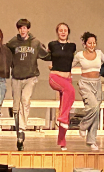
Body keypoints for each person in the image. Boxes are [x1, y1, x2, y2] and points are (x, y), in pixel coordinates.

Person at [6, 19, 49, 151]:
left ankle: (22, 130)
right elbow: (2, 52)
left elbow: (47, 55)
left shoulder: (35, 42)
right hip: (16, 77)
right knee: (16, 106)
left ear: (28, 29)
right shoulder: (13, 43)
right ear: (18, 29)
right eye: (20, 28)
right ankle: (18, 132)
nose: (23, 30)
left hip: (30, 77)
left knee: (25, 100)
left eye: (25, 28)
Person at [72, 32, 104, 151]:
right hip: (85, 83)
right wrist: (56, 67)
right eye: (89, 43)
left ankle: (92, 141)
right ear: (84, 44)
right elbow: (69, 66)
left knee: (96, 113)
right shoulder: (79, 55)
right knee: (93, 106)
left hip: (97, 83)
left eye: (94, 43)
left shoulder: (99, 53)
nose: (92, 45)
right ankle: (83, 126)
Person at [46, 23, 77, 151]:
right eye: (60, 30)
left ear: (68, 32)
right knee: (71, 90)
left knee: (64, 108)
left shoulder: (72, 46)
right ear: (57, 32)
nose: (63, 32)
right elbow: (44, 54)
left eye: (65, 30)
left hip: (67, 78)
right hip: (55, 77)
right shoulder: (52, 45)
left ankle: (62, 141)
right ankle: (62, 118)